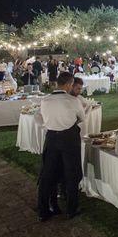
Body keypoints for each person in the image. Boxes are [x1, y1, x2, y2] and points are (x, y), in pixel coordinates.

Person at [36, 72, 85, 221]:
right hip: (69, 138)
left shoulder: (45, 100)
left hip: (51, 137)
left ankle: (44, 210)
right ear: (70, 84)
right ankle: (71, 209)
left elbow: (37, 117)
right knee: (72, 172)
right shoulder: (72, 100)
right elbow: (82, 118)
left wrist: (48, 125)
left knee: (48, 174)